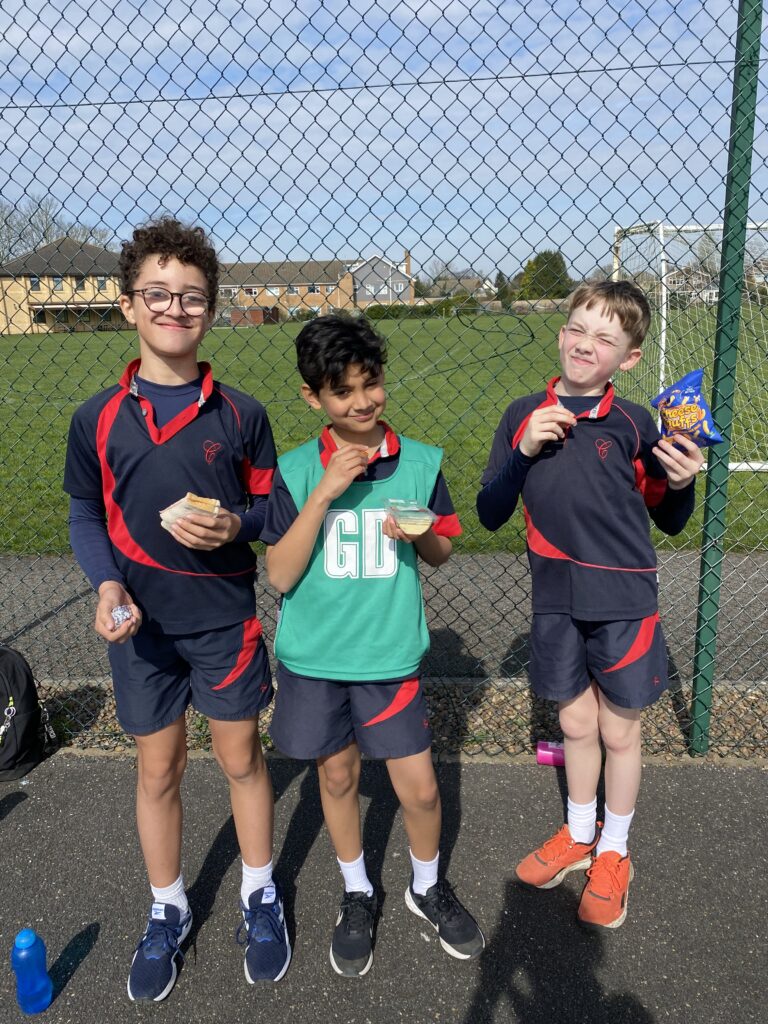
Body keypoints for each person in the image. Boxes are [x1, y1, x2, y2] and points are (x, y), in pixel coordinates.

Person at [63, 217, 290, 1000]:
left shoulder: (242, 415)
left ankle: (260, 894)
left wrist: (235, 525)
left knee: (240, 759)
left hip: (224, 622)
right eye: (157, 293)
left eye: (191, 297)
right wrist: (106, 584)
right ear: (129, 306)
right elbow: (86, 515)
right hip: (140, 630)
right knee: (158, 767)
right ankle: (168, 908)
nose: (174, 308)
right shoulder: (96, 417)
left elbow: (273, 516)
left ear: (212, 309)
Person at [261, 312, 484, 977]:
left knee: (417, 788)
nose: (361, 402)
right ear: (314, 399)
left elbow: (442, 551)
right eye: (343, 392)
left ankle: (425, 884)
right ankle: (357, 891)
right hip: (317, 661)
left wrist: (420, 533)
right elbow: (278, 573)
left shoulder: (418, 462)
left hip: (388, 660)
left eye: (372, 383)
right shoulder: (298, 470)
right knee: (336, 774)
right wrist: (325, 494)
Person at [476, 280, 704, 930]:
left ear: (628, 358)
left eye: (605, 338)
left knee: (617, 730)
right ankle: (579, 833)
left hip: (625, 601)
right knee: (575, 725)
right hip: (554, 601)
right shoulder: (523, 412)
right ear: (561, 330)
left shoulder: (636, 425)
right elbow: (491, 513)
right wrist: (521, 453)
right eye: (579, 328)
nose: (586, 344)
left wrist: (681, 484)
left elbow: (673, 518)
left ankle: (614, 851)